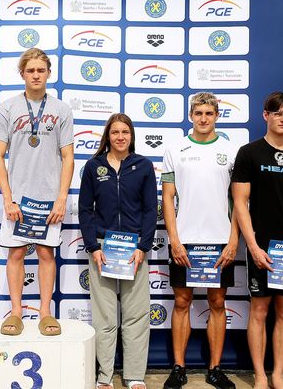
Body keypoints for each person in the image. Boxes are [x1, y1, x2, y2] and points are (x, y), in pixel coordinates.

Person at [232, 92, 283, 389]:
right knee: (259, 310)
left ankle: (278, 375)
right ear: (265, 115)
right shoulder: (249, 153)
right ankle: (259, 376)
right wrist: (253, 246)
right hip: (261, 246)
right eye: (277, 113)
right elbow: (240, 203)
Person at [0, 48, 74, 336]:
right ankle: (16, 312)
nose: (36, 75)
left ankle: (46, 312)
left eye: (41, 70)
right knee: (15, 254)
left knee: (47, 254)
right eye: (30, 70)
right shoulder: (7, 108)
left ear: (49, 72)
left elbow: (68, 157)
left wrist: (61, 198)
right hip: (18, 198)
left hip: (49, 198)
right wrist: (8, 197)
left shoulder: (61, 110)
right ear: (22, 73)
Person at [160, 93, 241, 389]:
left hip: (220, 241)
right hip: (186, 241)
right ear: (191, 115)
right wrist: (174, 240)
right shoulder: (174, 148)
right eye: (198, 113)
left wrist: (234, 240)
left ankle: (215, 369)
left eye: (209, 113)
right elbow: (168, 198)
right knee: (181, 302)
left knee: (217, 303)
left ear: (217, 115)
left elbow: (238, 201)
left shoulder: (232, 151)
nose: (203, 118)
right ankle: (179, 368)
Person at [79, 113, 156, 389]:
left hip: (134, 251)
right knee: (106, 318)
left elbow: (150, 210)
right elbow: (86, 210)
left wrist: (143, 247)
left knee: (136, 317)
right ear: (107, 136)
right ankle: (105, 376)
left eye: (125, 132)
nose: (120, 137)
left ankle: (134, 375)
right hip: (103, 250)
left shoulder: (143, 166)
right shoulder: (93, 167)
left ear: (131, 136)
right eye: (115, 132)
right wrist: (93, 247)